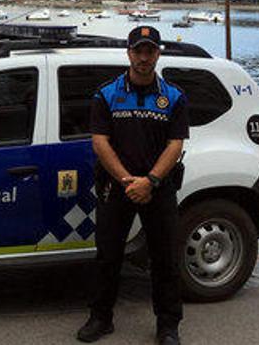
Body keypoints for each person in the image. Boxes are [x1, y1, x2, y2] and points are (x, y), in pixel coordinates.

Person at [77, 26, 189, 345]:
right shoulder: (107, 94)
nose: (143, 57)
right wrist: (128, 180)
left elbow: (175, 144)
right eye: (138, 51)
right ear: (129, 53)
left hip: (158, 187)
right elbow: (99, 141)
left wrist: (151, 181)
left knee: (165, 258)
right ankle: (101, 318)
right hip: (118, 186)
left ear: (158, 54)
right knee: (107, 256)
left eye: (149, 51)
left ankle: (168, 326)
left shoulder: (175, 96)